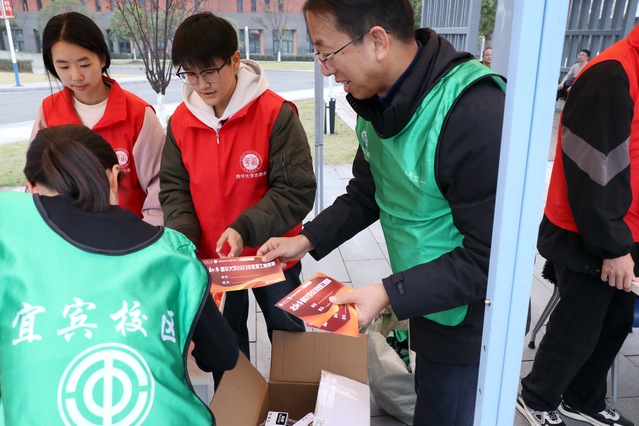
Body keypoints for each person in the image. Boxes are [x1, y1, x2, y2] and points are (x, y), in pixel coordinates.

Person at [257, 1, 506, 424]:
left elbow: (490, 257)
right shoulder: (376, 104)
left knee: (447, 410)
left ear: (377, 41)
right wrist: (306, 239)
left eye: (328, 53)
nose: (326, 70)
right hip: (425, 292)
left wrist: (390, 292)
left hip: (468, 313)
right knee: (429, 395)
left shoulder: (473, 112)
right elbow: (368, 192)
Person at [0, 124, 238, 425]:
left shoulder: (8, 230)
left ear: (31, 186)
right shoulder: (173, 254)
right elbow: (222, 355)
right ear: (114, 176)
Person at [159, 13, 316, 361]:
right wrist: (184, 238)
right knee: (225, 348)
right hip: (214, 259)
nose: (201, 84)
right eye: (190, 74)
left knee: (290, 340)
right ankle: (236, 395)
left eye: (209, 71)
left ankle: (297, 394)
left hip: (271, 254)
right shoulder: (181, 122)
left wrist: (245, 228)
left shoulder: (275, 113)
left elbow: (295, 190)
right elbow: (174, 189)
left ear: (234, 60)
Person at [515, 27, 639, 426]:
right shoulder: (612, 73)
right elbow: (592, 171)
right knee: (579, 325)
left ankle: (583, 398)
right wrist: (613, 248)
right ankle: (537, 397)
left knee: (614, 323)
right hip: (591, 230)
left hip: (627, 228)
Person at [31, 12, 165, 226]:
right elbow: (38, 179)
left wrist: (145, 233)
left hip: (127, 234)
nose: (76, 76)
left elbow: (159, 184)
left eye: (84, 64)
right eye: (63, 66)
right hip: (69, 233)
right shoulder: (49, 112)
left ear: (102, 58)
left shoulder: (137, 113)